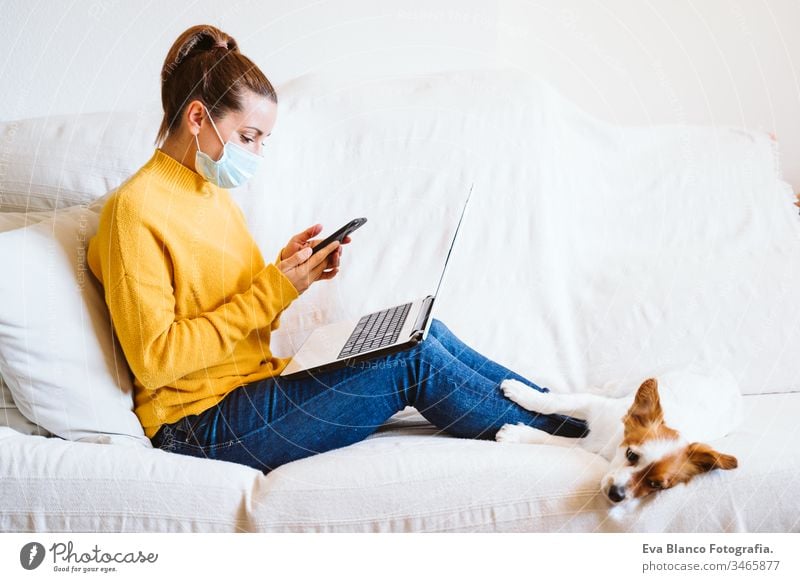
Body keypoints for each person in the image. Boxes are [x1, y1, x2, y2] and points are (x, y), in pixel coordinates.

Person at [86, 24, 588, 474]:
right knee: (411, 362)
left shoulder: (211, 194)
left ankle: (574, 413)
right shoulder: (135, 210)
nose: (257, 153)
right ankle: (584, 441)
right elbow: (155, 359)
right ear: (198, 117)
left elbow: (236, 314)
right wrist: (274, 290)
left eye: (263, 140)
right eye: (249, 136)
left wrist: (288, 273)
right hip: (196, 428)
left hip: (255, 387)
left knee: (420, 330)